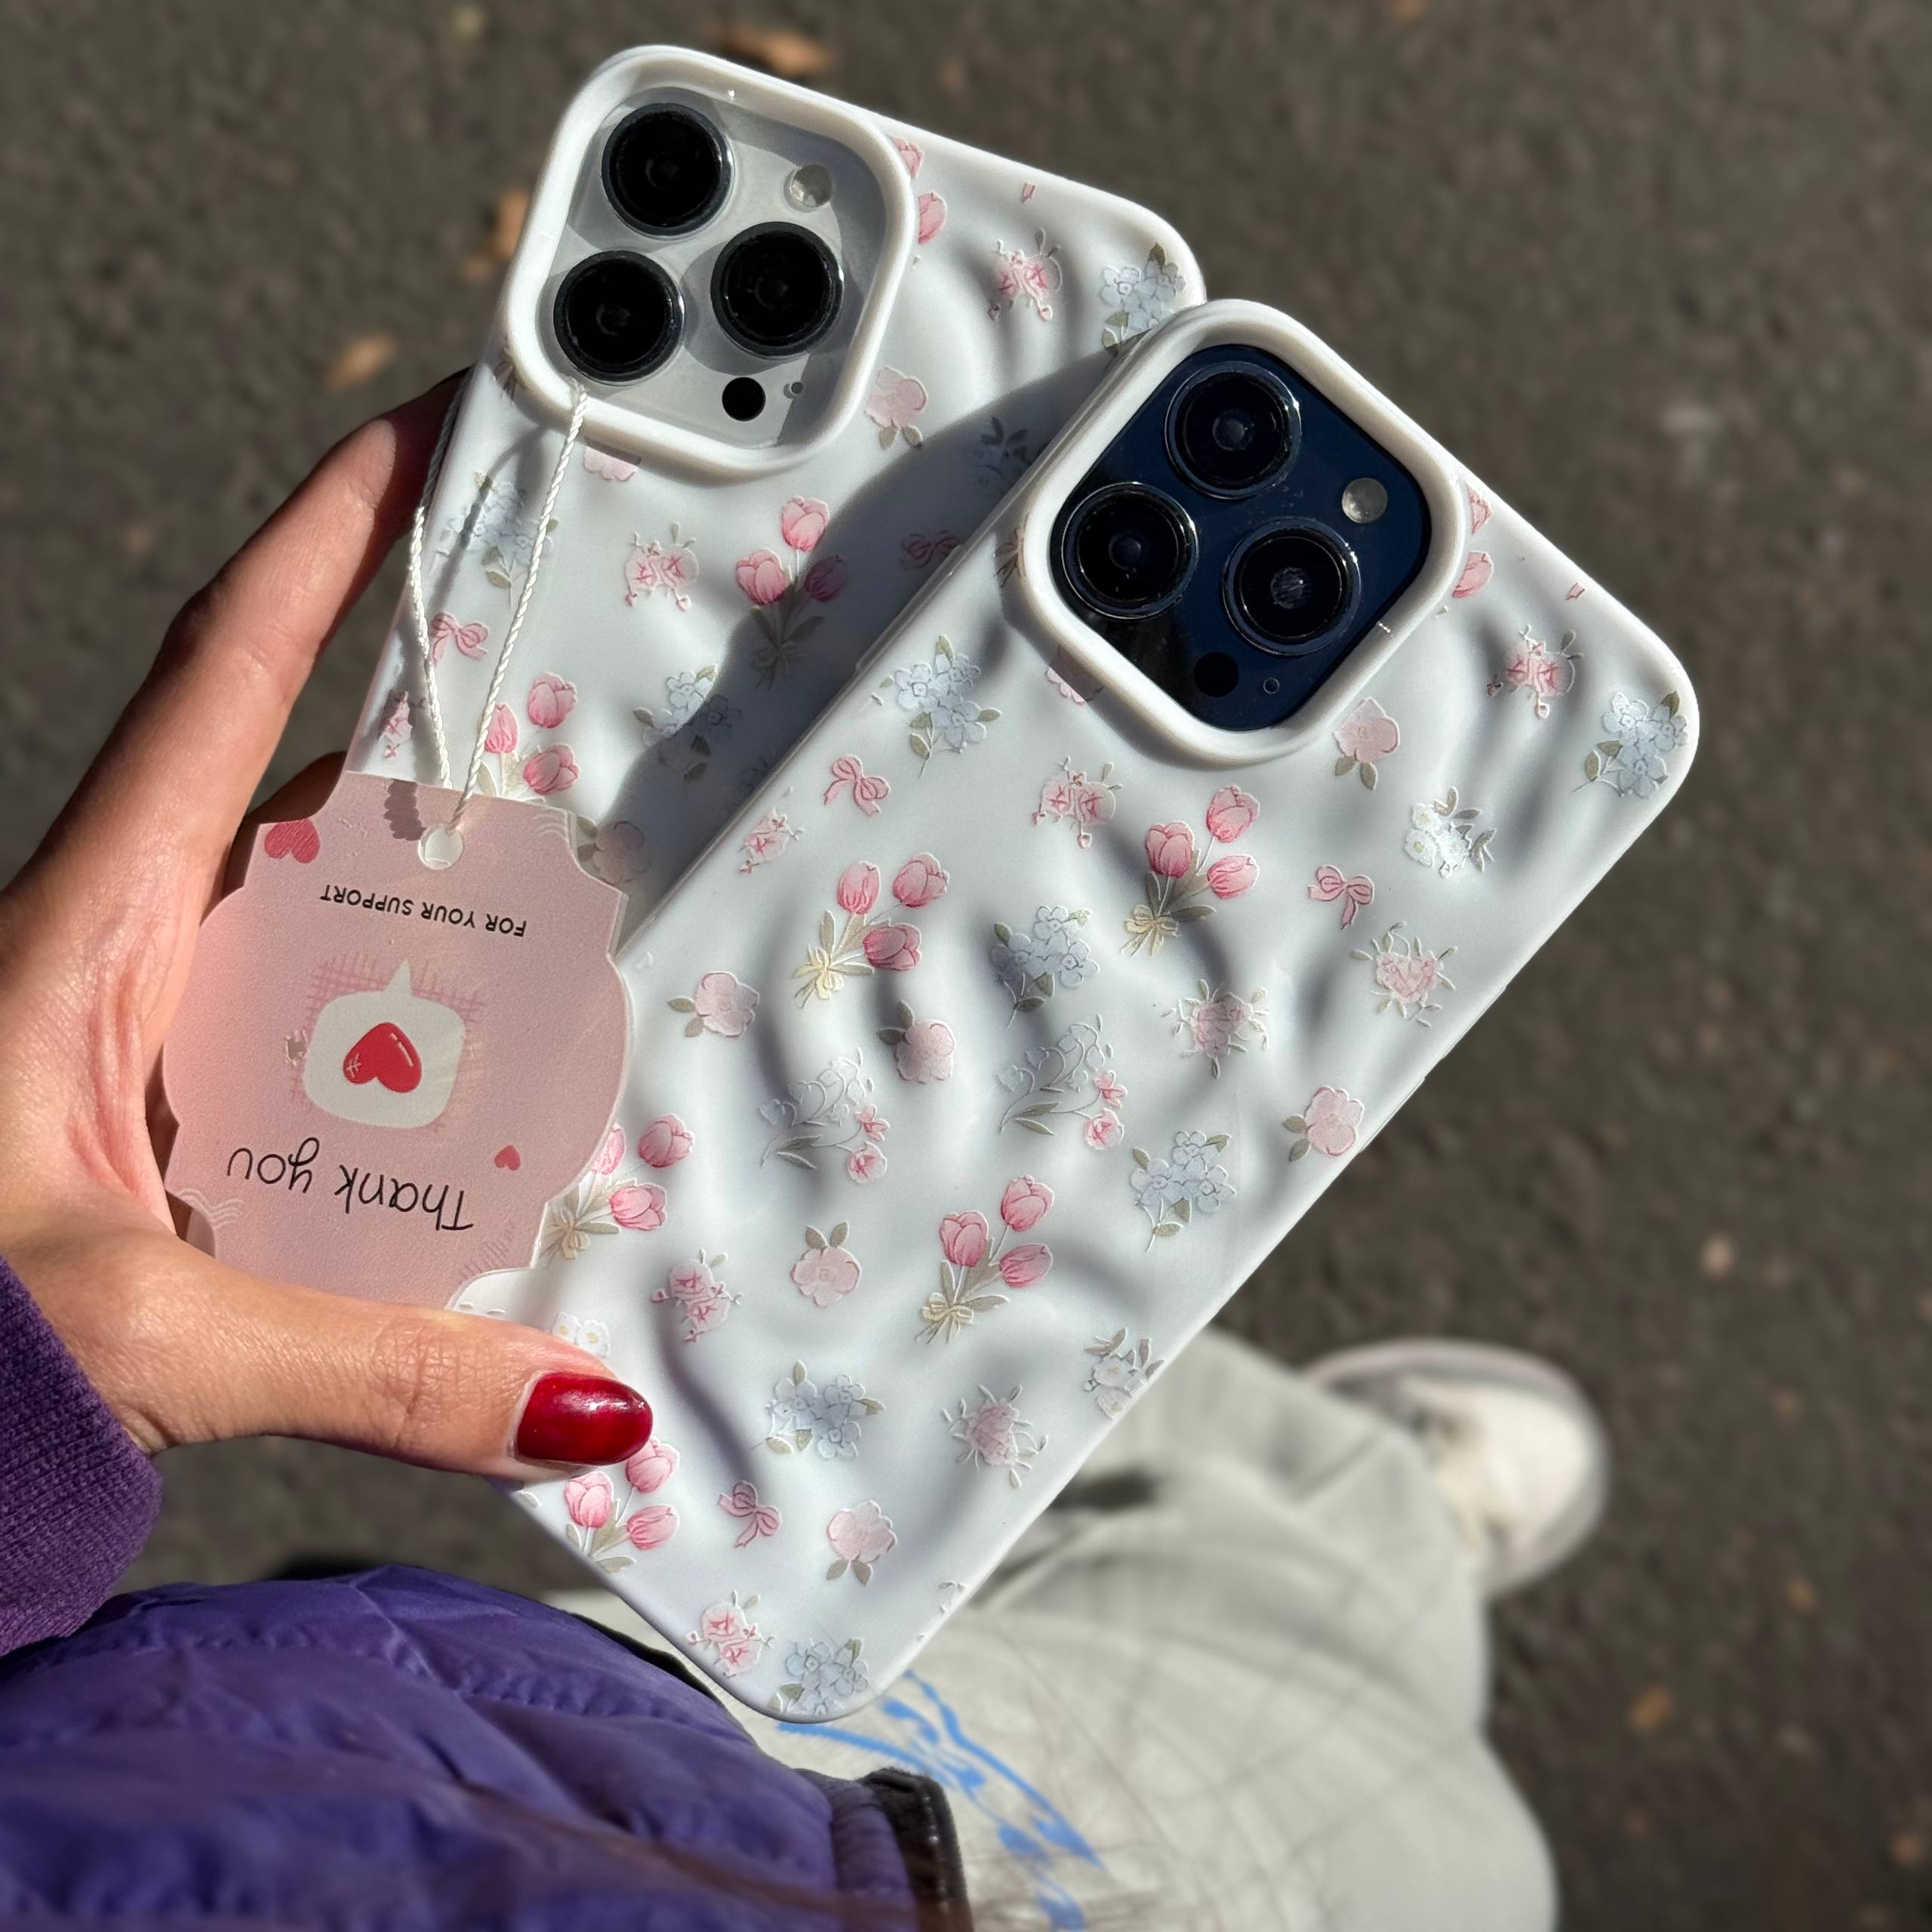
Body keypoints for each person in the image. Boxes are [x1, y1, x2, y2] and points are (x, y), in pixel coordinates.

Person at [0, 382, 1607, 1927]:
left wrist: (22, 1415)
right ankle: (1364, 1520)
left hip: (470, 1724)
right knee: (1395, 1781)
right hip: (824, 1837)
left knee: (946, 1397)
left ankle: (1268, 1492)